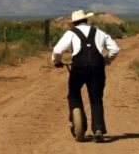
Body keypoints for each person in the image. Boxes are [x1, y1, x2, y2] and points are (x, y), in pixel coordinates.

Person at [51, 9, 120, 143]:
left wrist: (57, 61)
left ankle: (79, 123)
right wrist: (107, 60)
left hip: (78, 68)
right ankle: (98, 129)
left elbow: (57, 50)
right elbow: (115, 49)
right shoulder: (99, 32)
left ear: (74, 23)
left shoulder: (71, 33)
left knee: (74, 93)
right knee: (96, 98)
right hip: (97, 68)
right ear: (87, 20)